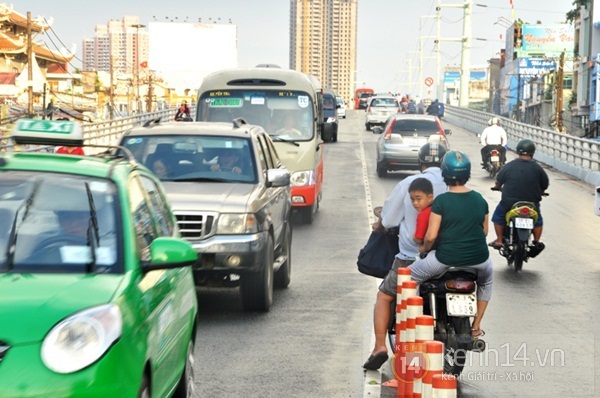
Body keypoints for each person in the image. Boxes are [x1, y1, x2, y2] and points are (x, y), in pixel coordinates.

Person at [363, 142, 448, 371]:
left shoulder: (409, 184)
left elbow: (389, 221)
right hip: (451, 257)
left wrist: (381, 224)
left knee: (385, 296)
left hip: (412, 258)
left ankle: (380, 346)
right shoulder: (455, 184)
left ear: (421, 164)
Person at [408, 150, 493, 338]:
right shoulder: (480, 199)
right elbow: (485, 232)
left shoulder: (441, 201)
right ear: (468, 173)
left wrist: (424, 249)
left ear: (444, 173)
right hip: (480, 261)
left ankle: (413, 322)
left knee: (410, 277)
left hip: (446, 260)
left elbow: (430, 236)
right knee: (486, 282)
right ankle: (476, 325)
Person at [488, 139, 549, 255]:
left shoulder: (509, 166)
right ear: (532, 152)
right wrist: (541, 191)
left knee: (498, 216)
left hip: (509, 203)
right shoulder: (538, 168)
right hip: (532, 203)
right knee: (538, 220)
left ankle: (499, 240)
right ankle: (536, 241)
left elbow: (499, 180)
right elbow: (544, 184)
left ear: (518, 151)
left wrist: (497, 187)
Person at [408, 177, 435, 253]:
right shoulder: (437, 208)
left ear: (430, 197)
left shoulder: (423, 215)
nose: (415, 203)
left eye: (418, 199)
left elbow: (419, 238)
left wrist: (414, 237)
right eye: (412, 199)